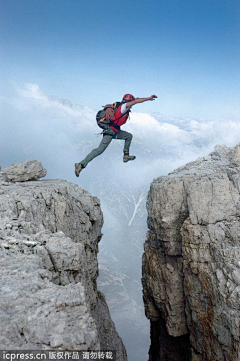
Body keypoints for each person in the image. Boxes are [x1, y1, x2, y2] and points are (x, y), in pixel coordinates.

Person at [75, 94, 157, 176]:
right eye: (131, 103)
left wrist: (143, 99)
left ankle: (126, 155)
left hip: (115, 131)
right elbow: (136, 101)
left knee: (128, 136)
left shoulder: (122, 106)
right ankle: (81, 165)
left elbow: (136, 99)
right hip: (110, 132)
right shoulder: (124, 107)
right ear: (129, 102)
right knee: (99, 150)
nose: (132, 105)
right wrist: (148, 98)